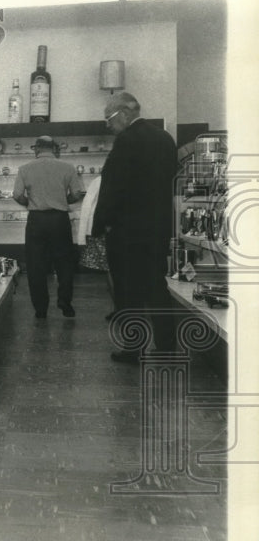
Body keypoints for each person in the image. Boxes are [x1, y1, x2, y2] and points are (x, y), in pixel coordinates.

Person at [92, 92, 177, 360]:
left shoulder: (126, 140)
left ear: (125, 114)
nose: (107, 124)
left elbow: (112, 187)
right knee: (156, 286)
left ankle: (133, 348)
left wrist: (101, 223)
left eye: (109, 118)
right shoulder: (164, 138)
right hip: (158, 228)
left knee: (128, 290)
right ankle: (166, 347)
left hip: (127, 231)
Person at [13, 135, 84, 318]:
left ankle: (40, 308)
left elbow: (17, 195)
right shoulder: (67, 168)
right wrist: (62, 200)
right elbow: (77, 194)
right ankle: (65, 302)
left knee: (35, 265)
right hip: (59, 220)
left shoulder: (25, 169)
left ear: (36, 149)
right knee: (64, 263)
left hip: (36, 220)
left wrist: (30, 202)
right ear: (54, 149)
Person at [76, 174, 115, 318]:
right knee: (118, 269)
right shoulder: (137, 179)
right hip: (125, 230)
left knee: (110, 269)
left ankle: (119, 307)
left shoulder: (100, 180)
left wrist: (82, 236)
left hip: (104, 230)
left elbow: (87, 206)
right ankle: (123, 307)